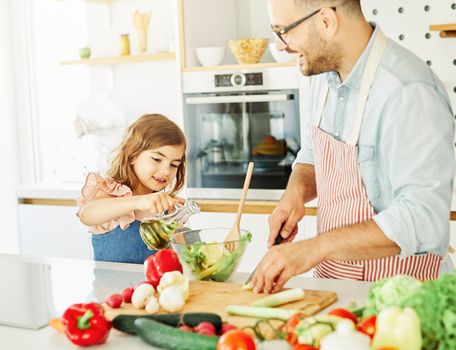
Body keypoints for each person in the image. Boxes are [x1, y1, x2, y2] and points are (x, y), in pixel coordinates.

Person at [251, 0, 455, 293]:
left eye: (283, 31)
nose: (280, 46)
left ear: (326, 21)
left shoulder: (408, 92)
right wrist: (295, 194)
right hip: (337, 288)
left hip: (404, 300)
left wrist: (315, 248)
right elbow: (311, 155)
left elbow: (424, 219)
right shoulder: (322, 77)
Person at [77, 114, 186, 264]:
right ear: (132, 155)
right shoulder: (111, 193)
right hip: (111, 287)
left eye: (174, 164)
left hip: (154, 287)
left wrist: (180, 228)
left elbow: (177, 258)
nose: (166, 171)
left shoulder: (165, 207)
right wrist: (139, 201)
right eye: (157, 159)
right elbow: (86, 215)